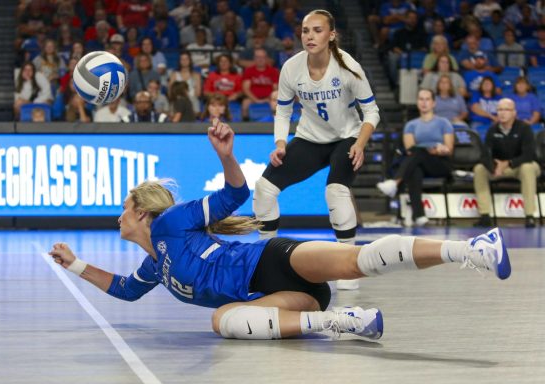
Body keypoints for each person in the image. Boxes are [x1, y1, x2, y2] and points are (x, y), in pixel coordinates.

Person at [49, 118, 512, 341]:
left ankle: (471, 249)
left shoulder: (172, 223)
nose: (119, 214)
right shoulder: (156, 265)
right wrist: (75, 265)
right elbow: (126, 290)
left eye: (125, 207)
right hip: (277, 299)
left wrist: (226, 154)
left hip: (270, 259)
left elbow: (233, 196)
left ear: (144, 212)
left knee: (356, 260)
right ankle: (342, 322)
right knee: (221, 321)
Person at [252, 9, 380, 291]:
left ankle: (348, 267)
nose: (310, 36)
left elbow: (371, 112)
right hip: (310, 139)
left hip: (346, 137)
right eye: (305, 31)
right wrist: (281, 144)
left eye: (317, 30)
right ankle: (265, 256)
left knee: (335, 191)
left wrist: (360, 143)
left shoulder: (348, 67)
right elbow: (283, 111)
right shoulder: (291, 68)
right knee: (264, 190)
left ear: (331, 35)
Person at [376, 89, 454, 227]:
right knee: (415, 166)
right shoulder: (411, 125)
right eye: (421, 99)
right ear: (417, 102)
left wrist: (437, 150)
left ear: (433, 103)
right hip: (418, 162)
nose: (424, 102)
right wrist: (430, 149)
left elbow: (449, 149)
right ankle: (419, 216)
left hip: (440, 163)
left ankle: (395, 183)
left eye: (427, 99)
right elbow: (410, 149)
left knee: (419, 153)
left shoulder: (444, 123)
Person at [472, 98, 541, 228]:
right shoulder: (492, 130)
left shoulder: (524, 128)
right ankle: (485, 216)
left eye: (506, 109)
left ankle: (530, 215)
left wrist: (508, 163)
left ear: (514, 112)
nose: (502, 113)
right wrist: (494, 167)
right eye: (499, 109)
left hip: (521, 166)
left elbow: (529, 155)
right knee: (480, 169)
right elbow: (484, 155)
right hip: (499, 168)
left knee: (528, 168)